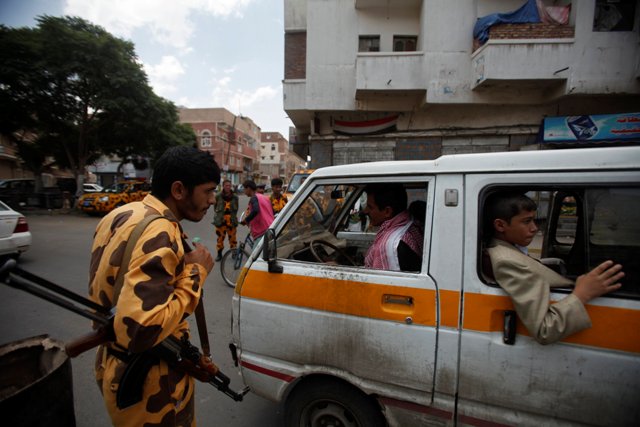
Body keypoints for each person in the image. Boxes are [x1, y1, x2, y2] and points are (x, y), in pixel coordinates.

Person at [88, 146, 220, 427]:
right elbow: (142, 329)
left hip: (113, 365)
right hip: (152, 386)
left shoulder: (122, 213)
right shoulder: (161, 231)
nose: (212, 199)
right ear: (178, 190)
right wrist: (196, 272)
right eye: (207, 191)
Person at [484, 191, 624, 345]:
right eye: (527, 221)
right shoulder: (506, 261)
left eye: (534, 220)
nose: (534, 228)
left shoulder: (509, 249)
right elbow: (544, 329)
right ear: (500, 225)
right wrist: (582, 294)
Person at [362, 183, 423, 271]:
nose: (365, 211)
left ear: (387, 211)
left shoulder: (389, 247)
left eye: (370, 207)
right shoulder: (411, 226)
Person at [213, 179, 239, 261]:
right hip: (221, 221)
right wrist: (220, 216)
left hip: (231, 221)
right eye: (226, 185)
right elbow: (215, 207)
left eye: (229, 185)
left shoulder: (235, 197)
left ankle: (234, 254)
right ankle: (219, 254)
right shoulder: (218, 196)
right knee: (220, 239)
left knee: (233, 239)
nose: (228, 187)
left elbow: (236, 208)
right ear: (223, 186)